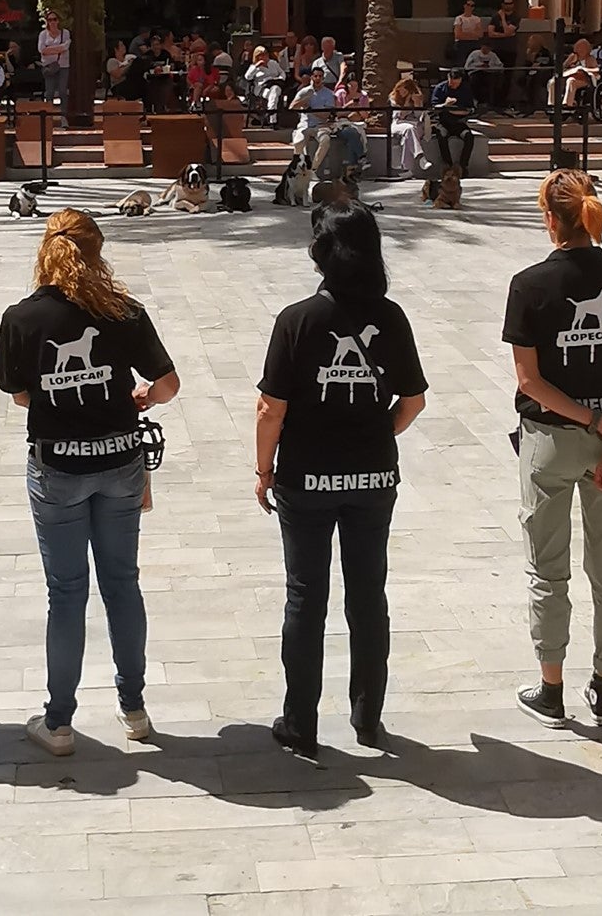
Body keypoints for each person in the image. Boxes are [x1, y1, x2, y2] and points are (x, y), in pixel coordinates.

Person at [0, 210, 179, 756]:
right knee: (122, 583)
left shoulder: (21, 318)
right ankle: (134, 709)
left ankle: (58, 722)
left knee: (66, 592)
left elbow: (20, 394)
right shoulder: (123, 311)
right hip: (120, 462)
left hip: (57, 467)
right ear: (98, 253)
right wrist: (142, 397)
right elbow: (168, 384)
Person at [256, 202, 427, 756]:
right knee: (368, 595)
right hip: (373, 478)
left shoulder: (297, 319)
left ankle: (300, 723)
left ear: (320, 254)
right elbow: (413, 401)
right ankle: (368, 716)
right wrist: (375, 435)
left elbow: (270, 409)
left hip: (305, 479)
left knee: (306, 597)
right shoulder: (391, 317)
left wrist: (264, 470)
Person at [506, 170, 602, 728]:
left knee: (547, 570)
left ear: (550, 218)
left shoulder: (529, 285)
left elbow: (530, 382)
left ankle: (551, 690)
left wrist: (587, 417)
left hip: (549, 442)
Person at [429, 67, 476, 173]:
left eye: (456, 83)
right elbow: (434, 107)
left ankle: (462, 166)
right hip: (443, 121)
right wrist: (445, 105)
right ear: (448, 78)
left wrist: (457, 112)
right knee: (442, 136)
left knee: (468, 136)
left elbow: (470, 109)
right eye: (451, 82)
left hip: (459, 122)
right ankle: (448, 166)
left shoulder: (465, 89)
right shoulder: (440, 88)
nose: (453, 85)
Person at [387, 71, 427, 178]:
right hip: (398, 123)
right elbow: (401, 116)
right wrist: (407, 102)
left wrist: (417, 103)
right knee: (409, 129)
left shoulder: (417, 97)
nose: (402, 92)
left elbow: (419, 116)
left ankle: (407, 170)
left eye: (405, 90)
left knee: (408, 136)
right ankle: (420, 156)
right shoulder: (393, 98)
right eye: (400, 89)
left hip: (415, 125)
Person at [39, 14, 72, 115]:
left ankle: (64, 116)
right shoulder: (43, 34)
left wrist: (49, 49)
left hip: (63, 66)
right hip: (49, 66)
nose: (52, 22)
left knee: (63, 91)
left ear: (58, 21)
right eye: (50, 20)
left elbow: (66, 47)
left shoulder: (65, 33)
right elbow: (42, 50)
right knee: (49, 92)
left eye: (54, 19)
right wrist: (59, 48)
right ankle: (48, 117)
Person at [464, 39, 506, 110]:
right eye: (484, 48)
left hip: (489, 73)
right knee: (474, 82)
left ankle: (490, 102)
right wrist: (479, 65)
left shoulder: (493, 55)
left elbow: (500, 66)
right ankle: (475, 101)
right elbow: (466, 66)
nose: (485, 50)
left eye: (488, 49)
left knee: (493, 82)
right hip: (475, 72)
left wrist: (491, 67)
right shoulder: (474, 54)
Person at [451, 0, 486, 65]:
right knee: (461, 62)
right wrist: (472, 33)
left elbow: (480, 34)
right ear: (464, 6)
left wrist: (465, 33)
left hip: (474, 43)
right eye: (468, 5)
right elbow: (458, 35)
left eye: (472, 6)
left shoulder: (477, 19)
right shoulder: (459, 18)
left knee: (475, 62)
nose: (470, 7)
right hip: (461, 44)